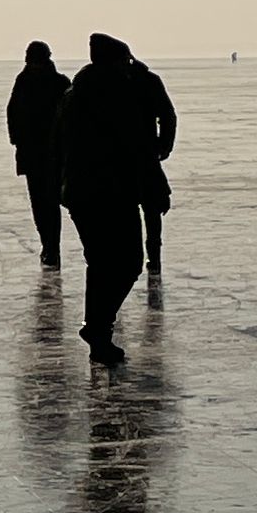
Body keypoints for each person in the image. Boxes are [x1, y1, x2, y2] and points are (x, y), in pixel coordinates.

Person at [61, 31, 158, 367]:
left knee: (100, 264)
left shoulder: (73, 94)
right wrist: (154, 185)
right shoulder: (117, 96)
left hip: (80, 194)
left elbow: (57, 142)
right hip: (114, 193)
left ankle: (98, 336)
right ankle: (98, 327)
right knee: (129, 263)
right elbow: (137, 146)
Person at [5, 42, 69, 265]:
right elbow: (13, 111)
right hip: (34, 152)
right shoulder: (25, 81)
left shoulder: (57, 82)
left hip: (51, 153)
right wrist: (16, 140)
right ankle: (49, 246)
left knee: (48, 202)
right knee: (41, 203)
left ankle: (52, 247)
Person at [131, 51, 179, 278]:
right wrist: (163, 145)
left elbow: (168, 116)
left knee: (148, 208)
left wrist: (163, 146)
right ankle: (151, 257)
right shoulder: (147, 80)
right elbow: (168, 115)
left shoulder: (96, 83)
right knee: (150, 209)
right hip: (142, 156)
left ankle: (151, 256)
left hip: (138, 157)